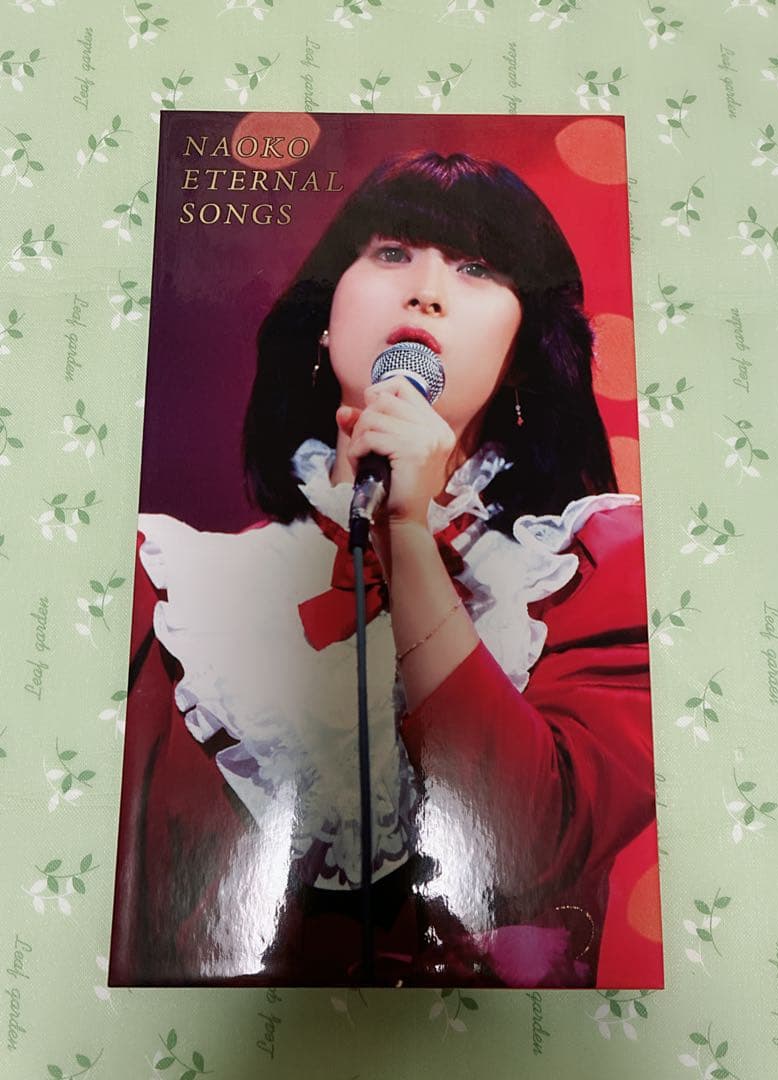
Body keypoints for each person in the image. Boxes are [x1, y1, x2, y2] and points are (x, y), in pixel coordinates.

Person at [110, 150, 656, 989]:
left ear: (521, 353)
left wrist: (408, 534)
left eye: (477, 268)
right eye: (392, 252)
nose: (426, 290)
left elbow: (524, 844)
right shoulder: (166, 589)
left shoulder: (590, 570)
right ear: (325, 321)